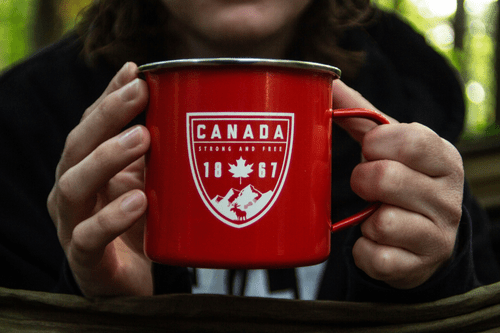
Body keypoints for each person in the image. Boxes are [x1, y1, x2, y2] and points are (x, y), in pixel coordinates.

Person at [0, 0, 498, 302]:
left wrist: (430, 275)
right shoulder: (23, 121)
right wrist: (100, 310)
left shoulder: (411, 90)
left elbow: (476, 300)